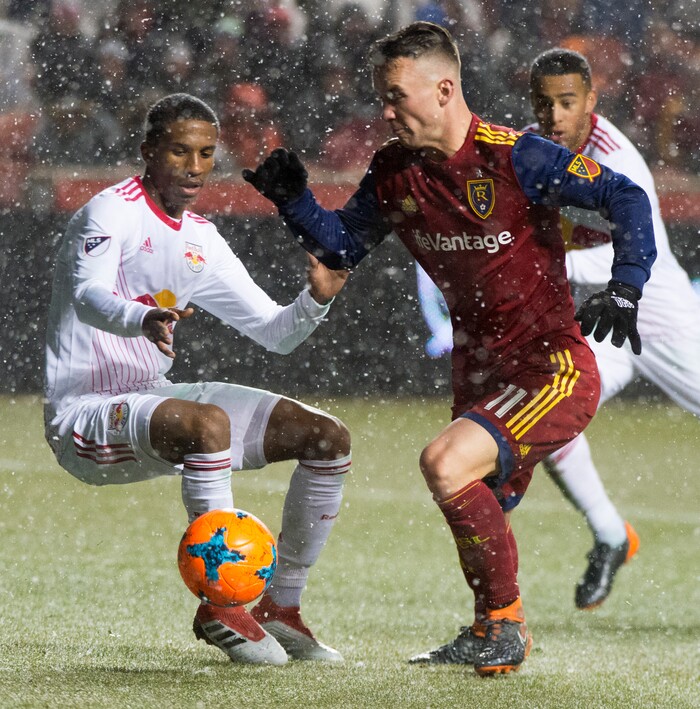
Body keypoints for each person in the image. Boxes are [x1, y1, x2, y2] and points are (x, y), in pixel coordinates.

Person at [242, 22, 656, 676]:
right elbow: (342, 247)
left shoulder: (515, 157)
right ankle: (489, 624)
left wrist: (628, 286)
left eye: (396, 95)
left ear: (443, 89)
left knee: (443, 463)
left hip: (550, 366)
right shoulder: (395, 168)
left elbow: (624, 196)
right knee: (479, 498)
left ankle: (505, 626)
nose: (385, 109)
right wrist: (294, 201)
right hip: (482, 373)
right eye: (382, 96)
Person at [43, 93, 351, 667]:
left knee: (327, 437)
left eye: (206, 153)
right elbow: (87, 297)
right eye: (179, 151)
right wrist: (142, 316)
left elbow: (274, 333)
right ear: (148, 152)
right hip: (84, 414)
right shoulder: (110, 211)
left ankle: (280, 609)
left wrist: (315, 299)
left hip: (150, 405)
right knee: (208, 423)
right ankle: (219, 604)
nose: (193, 166)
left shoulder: (201, 239)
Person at [527, 48, 700, 608]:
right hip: (596, 313)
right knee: (548, 419)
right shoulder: (529, 150)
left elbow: (635, 250)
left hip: (651, 305)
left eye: (567, 103)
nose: (555, 117)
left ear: (591, 103)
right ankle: (610, 534)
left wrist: (543, 265)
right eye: (545, 103)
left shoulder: (616, 158)